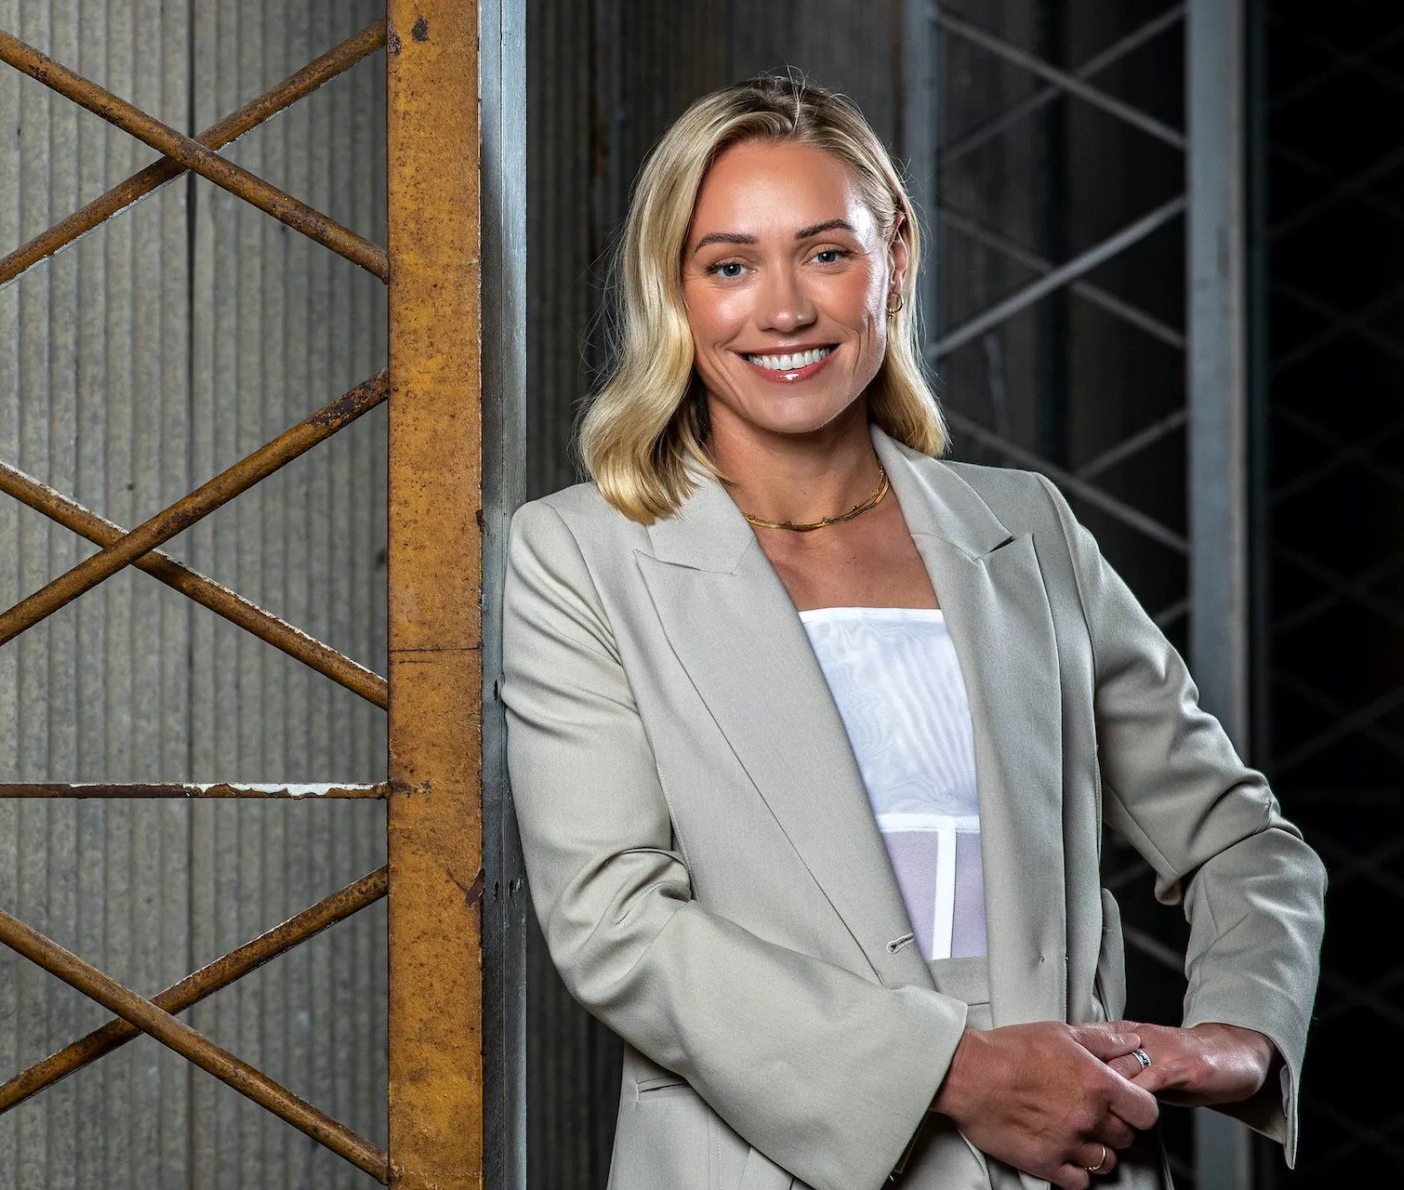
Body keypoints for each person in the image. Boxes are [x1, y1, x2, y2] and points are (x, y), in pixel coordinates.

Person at [499, 75, 1325, 1190]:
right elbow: (615, 919)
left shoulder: (1025, 528)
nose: (784, 309)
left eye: (827, 252)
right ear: (675, 290)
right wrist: (958, 1071)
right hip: (759, 1164)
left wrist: (1237, 1034)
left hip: (1076, 1158)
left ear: (894, 252)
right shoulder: (580, 555)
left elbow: (1241, 836)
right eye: (730, 264)